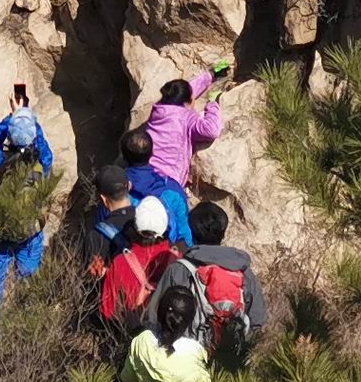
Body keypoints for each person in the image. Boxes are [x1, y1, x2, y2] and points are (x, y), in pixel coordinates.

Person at [0, 84, 55, 303]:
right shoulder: (43, 161)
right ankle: (27, 326)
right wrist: (27, 117)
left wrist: (13, 117)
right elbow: (41, 142)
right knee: (30, 283)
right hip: (30, 230)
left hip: (2, 228)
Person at [121, 272, 213, 382]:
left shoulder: (141, 342)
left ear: (158, 311)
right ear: (190, 320)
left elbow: (127, 380)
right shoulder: (195, 355)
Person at [96, 194, 184, 335]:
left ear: (136, 227)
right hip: (169, 338)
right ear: (166, 227)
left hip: (131, 337)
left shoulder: (120, 263)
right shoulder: (179, 262)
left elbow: (108, 312)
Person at [185, 199, 266, 351]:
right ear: (223, 232)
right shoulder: (243, 272)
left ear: (192, 231)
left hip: (190, 358)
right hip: (232, 358)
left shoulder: (181, 269)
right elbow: (258, 320)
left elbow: (156, 317)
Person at [144, 67, 230, 195]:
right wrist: (213, 104)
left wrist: (210, 75)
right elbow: (211, 130)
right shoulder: (185, 117)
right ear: (188, 102)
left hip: (147, 173)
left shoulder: (160, 109)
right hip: (168, 181)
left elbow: (183, 91)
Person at [122, 130, 191, 244]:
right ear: (151, 154)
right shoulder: (173, 189)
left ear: (124, 157)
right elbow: (184, 232)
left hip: (129, 256)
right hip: (166, 255)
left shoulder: (118, 190)